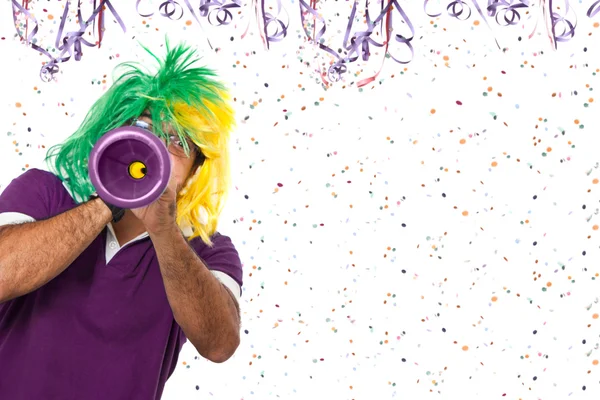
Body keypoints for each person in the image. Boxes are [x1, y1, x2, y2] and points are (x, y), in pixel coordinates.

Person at [0, 40, 243, 399]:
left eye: (177, 142)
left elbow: (220, 345)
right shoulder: (43, 192)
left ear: (194, 172)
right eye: (144, 129)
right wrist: (107, 200)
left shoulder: (208, 249)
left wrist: (163, 229)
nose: (157, 148)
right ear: (110, 135)